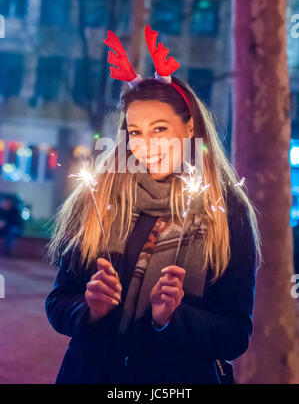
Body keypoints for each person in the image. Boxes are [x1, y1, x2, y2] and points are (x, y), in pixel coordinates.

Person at [45, 26, 261, 384]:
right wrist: (89, 311)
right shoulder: (98, 197)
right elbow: (58, 302)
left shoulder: (227, 209)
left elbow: (235, 332)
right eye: (136, 132)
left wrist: (173, 318)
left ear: (189, 127)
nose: (146, 145)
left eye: (159, 129)